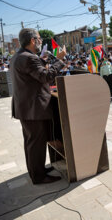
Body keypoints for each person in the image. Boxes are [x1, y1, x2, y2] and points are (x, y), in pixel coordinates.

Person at [10, 28, 66, 184]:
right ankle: (39, 176)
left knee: (31, 142)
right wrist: (59, 60)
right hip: (33, 109)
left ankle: (36, 170)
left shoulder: (18, 56)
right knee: (36, 143)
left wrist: (41, 60)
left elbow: (32, 73)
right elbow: (46, 77)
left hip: (25, 107)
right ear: (33, 40)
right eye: (40, 39)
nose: (41, 41)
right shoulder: (29, 58)